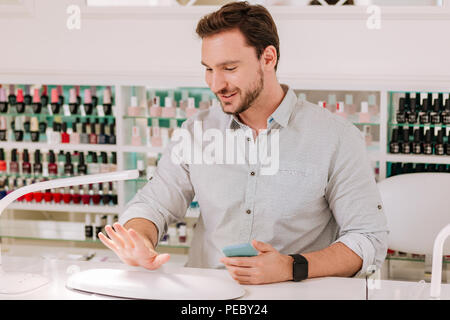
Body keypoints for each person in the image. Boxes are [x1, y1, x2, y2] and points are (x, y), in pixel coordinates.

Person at [99, 1, 388, 285]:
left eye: (229, 68)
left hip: (293, 294)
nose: (215, 84)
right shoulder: (196, 131)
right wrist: (140, 239)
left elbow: (368, 238)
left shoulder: (335, 137)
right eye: (209, 69)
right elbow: (154, 204)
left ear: (268, 58)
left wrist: (291, 266)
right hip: (206, 297)